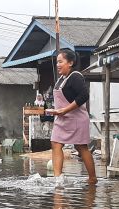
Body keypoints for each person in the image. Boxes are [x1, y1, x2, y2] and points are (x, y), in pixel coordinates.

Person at [46, 49, 97, 184]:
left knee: (81, 147)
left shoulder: (75, 76)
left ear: (70, 63)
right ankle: (58, 178)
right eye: (57, 62)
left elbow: (84, 96)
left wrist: (65, 110)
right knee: (56, 143)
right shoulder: (61, 79)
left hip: (76, 119)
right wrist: (57, 111)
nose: (57, 64)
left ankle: (92, 178)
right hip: (61, 118)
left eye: (61, 61)